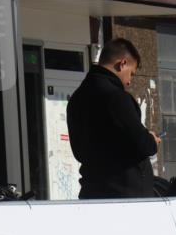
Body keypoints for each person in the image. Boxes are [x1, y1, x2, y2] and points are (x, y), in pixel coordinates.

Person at [67, 38, 159, 199]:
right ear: (122, 64)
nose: (129, 82)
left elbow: (79, 153)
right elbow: (143, 144)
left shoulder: (76, 98)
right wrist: (151, 139)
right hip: (125, 195)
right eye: (131, 73)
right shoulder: (116, 98)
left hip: (92, 191)